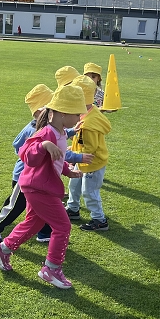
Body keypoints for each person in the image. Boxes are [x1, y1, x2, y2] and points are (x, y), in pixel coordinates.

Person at [0, 85, 87, 289]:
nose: (79, 117)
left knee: (33, 223)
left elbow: (55, 161)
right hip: (39, 188)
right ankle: (51, 269)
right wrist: (42, 146)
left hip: (40, 186)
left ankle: (2, 249)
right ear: (60, 113)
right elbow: (26, 153)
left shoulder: (59, 133)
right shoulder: (47, 133)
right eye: (76, 113)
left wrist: (69, 171)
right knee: (62, 226)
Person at [66, 75, 112, 231]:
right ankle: (73, 209)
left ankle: (99, 219)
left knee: (89, 191)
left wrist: (73, 155)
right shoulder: (90, 113)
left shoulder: (88, 123)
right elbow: (80, 141)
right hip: (83, 159)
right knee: (74, 185)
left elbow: (89, 147)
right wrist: (74, 150)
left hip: (92, 162)